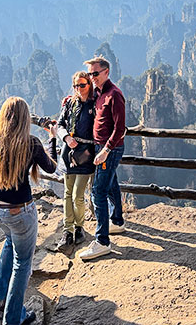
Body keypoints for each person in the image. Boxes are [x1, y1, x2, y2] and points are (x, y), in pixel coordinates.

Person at [0, 97, 57, 325]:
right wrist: (52, 139)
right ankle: (13, 319)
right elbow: (51, 167)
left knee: (10, 240)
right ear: (25, 119)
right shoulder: (31, 143)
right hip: (19, 212)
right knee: (23, 262)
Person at [78, 56, 126, 261]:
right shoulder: (98, 93)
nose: (92, 77)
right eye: (90, 74)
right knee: (111, 184)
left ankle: (102, 241)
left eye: (95, 73)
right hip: (100, 147)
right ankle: (117, 221)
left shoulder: (115, 95)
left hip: (109, 149)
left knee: (98, 191)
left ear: (107, 72)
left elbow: (120, 128)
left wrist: (105, 149)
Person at [55, 71, 96, 252]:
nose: (79, 89)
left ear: (89, 84)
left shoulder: (95, 104)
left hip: (86, 154)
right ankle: (67, 230)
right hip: (69, 152)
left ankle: (79, 227)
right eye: (76, 86)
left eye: (83, 85)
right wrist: (65, 138)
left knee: (77, 196)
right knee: (67, 194)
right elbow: (60, 124)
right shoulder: (70, 103)